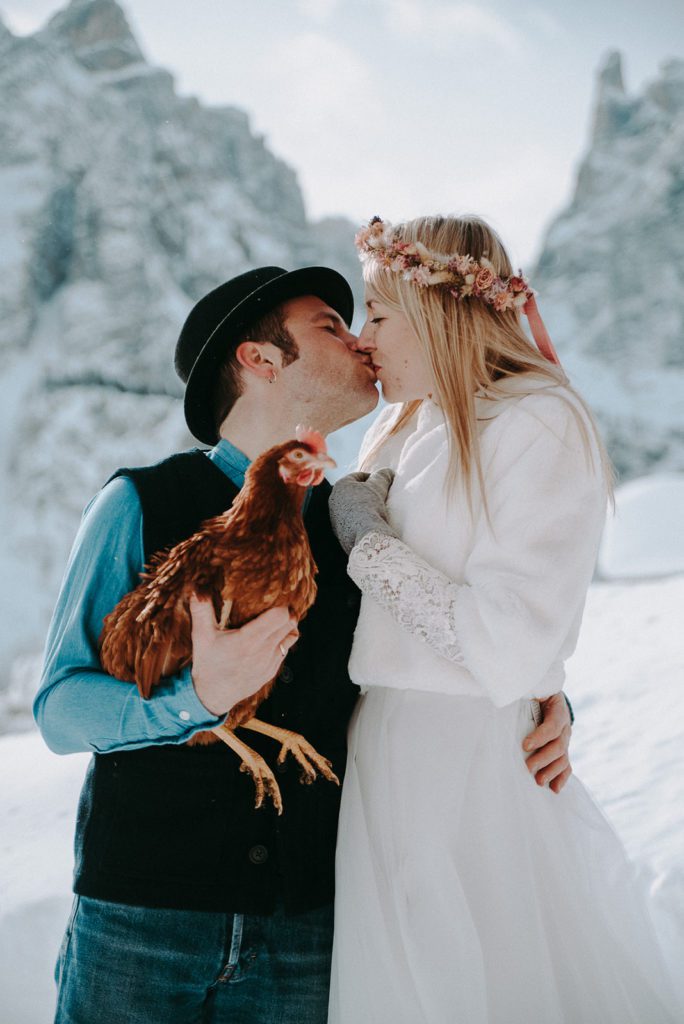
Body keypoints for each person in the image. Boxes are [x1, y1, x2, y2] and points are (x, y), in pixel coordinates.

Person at [36, 264, 574, 1024]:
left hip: (308, 931)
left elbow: (449, 636)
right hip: (141, 916)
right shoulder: (138, 502)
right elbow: (60, 706)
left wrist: (542, 696)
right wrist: (197, 700)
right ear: (259, 359)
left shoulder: (361, 523)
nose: (360, 339)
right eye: (329, 324)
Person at [326, 215, 680, 1024]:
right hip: (383, 759)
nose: (362, 335)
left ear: (438, 310)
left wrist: (366, 541)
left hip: (466, 776)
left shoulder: (536, 420)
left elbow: (511, 642)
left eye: (378, 314)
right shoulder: (404, 427)